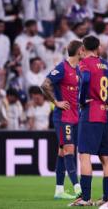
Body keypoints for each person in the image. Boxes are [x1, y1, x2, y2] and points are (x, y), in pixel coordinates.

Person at [70, 36, 108, 206]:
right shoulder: (107, 64)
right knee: (105, 157)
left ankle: (86, 198)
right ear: (98, 47)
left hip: (91, 112)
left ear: (83, 48)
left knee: (84, 155)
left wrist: (82, 101)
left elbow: (87, 79)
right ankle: (106, 198)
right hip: (105, 113)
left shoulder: (85, 63)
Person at [41, 40, 84, 200]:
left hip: (75, 116)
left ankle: (59, 190)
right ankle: (78, 188)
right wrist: (56, 102)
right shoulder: (62, 67)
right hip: (63, 117)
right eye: (83, 50)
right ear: (80, 51)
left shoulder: (77, 70)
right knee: (69, 151)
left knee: (62, 153)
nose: (85, 53)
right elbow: (45, 84)